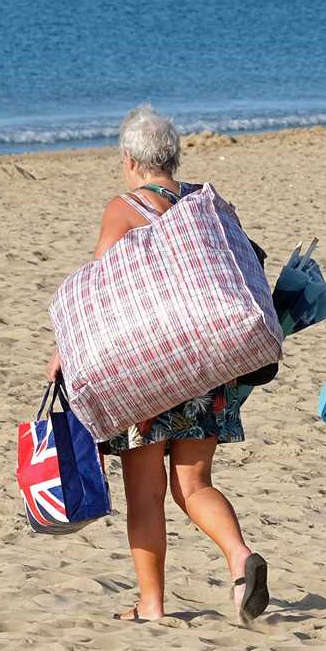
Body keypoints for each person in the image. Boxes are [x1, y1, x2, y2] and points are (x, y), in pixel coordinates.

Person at [45, 104, 269, 624]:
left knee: (145, 496)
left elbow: (102, 296)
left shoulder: (123, 209)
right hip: (207, 365)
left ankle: (152, 605)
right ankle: (240, 558)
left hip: (148, 373)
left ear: (129, 161)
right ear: (175, 157)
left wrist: (65, 348)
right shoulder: (207, 205)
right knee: (194, 485)